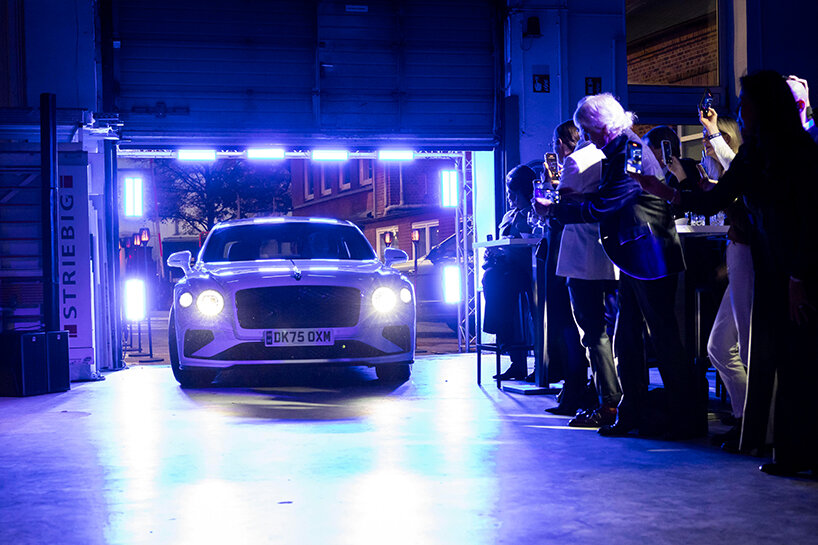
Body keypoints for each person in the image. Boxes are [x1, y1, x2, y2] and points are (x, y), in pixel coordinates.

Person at [631, 70, 818, 475]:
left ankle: (800, 450)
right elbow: (716, 195)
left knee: (800, 359)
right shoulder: (757, 151)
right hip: (770, 261)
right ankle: (788, 452)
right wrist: (667, 193)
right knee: (781, 357)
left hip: (798, 266)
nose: (740, 110)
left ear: (764, 106)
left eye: (745, 102)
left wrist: (800, 279)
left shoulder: (800, 152)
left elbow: (812, 222)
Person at [533, 93, 705, 439]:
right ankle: (634, 411)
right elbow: (609, 197)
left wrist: (558, 210)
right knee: (628, 337)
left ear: (604, 126)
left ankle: (681, 418)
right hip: (636, 255)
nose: (585, 138)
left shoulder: (630, 150)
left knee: (661, 337)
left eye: (588, 130)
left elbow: (609, 201)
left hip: (648, 254)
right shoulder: (621, 149)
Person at [542, 120, 621, 427]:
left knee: (592, 333)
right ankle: (612, 397)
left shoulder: (578, 160)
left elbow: (560, 204)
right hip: (610, 256)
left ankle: (608, 402)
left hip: (582, 257)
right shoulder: (611, 157)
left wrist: (550, 204)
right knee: (612, 332)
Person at [694, 111, 751, 450]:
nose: (707, 148)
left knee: (746, 348)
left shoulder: (746, 169)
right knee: (718, 347)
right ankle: (748, 417)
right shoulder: (728, 175)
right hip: (737, 254)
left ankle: (755, 423)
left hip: (748, 258)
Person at [482, 165, 537, 381]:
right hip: (509, 271)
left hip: (530, 271)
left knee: (497, 284)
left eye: (512, 192)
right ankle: (515, 358)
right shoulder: (508, 215)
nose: (509, 196)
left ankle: (500, 333)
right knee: (493, 279)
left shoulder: (535, 214)